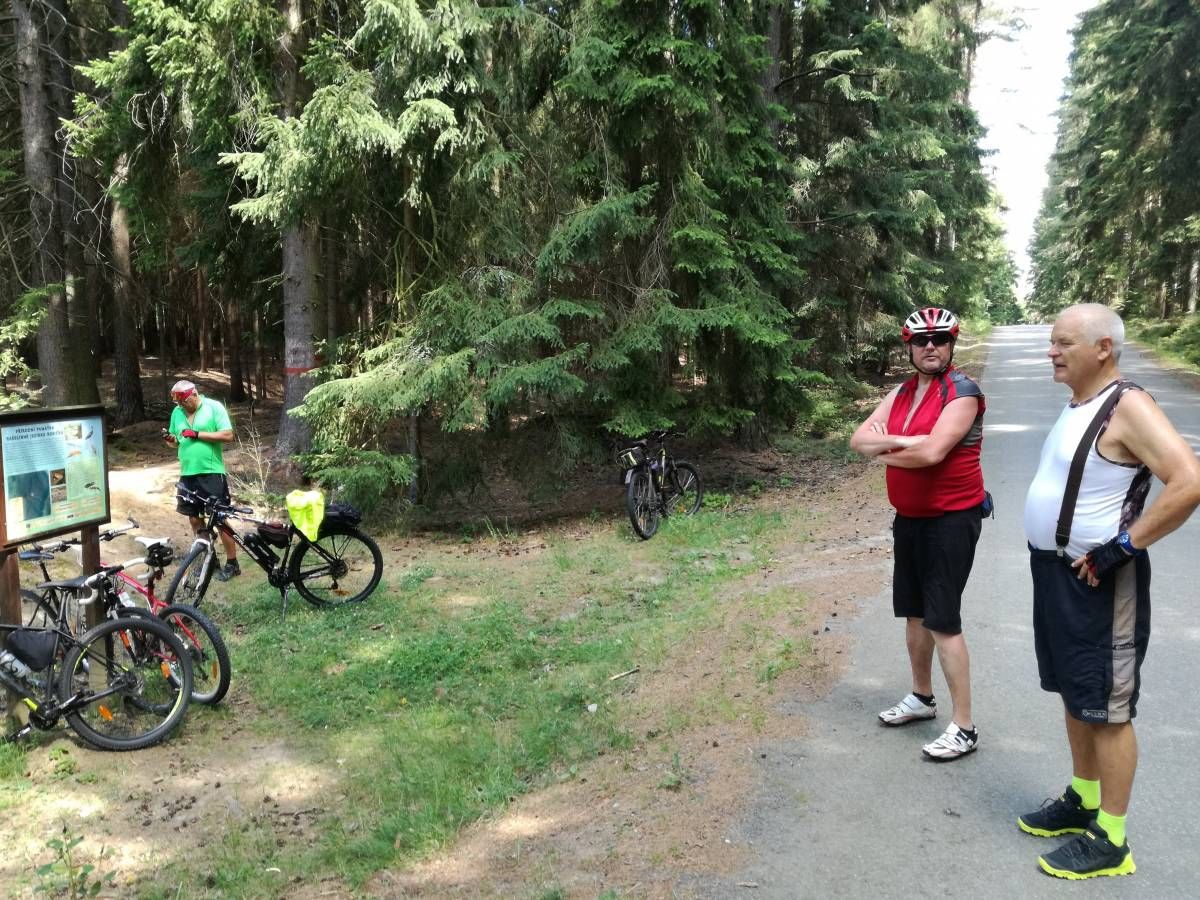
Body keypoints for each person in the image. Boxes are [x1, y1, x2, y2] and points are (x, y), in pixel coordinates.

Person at [1019, 303, 1200, 879]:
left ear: (1103, 348)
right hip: (1057, 574)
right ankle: (1083, 798)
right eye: (1052, 341)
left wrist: (1122, 547)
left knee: (1109, 709)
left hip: (1100, 582)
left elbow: (1189, 482)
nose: (1051, 351)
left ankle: (1112, 840)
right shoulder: (1080, 403)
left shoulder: (1129, 405)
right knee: (1077, 694)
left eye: (1063, 342)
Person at [849, 307, 987, 761]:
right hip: (909, 518)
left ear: (952, 345)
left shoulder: (962, 392)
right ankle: (922, 698)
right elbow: (857, 440)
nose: (932, 346)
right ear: (908, 347)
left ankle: (964, 727)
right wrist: (907, 442)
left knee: (942, 620)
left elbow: (932, 454)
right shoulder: (902, 392)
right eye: (922, 340)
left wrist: (887, 447)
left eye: (941, 339)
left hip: (951, 520)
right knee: (914, 613)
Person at [164, 379, 241, 581]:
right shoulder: (177, 413)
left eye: (184, 402)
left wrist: (198, 434)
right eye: (178, 403)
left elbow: (228, 435)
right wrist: (171, 440)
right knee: (194, 518)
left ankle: (232, 563)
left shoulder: (213, 407)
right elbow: (176, 441)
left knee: (220, 519)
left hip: (211, 472)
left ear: (194, 394)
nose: (181, 406)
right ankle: (209, 559)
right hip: (187, 473)